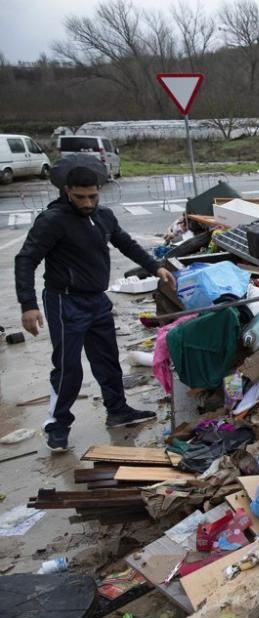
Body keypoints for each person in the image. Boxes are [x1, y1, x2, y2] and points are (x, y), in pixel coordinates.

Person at [14, 166, 176, 452]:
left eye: (92, 196)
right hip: (65, 302)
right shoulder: (53, 221)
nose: (87, 203)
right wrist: (28, 305)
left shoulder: (103, 217)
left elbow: (126, 244)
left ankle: (118, 411)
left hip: (97, 301)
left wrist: (156, 267)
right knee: (68, 367)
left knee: (107, 359)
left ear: (99, 191)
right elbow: (26, 259)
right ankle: (57, 424)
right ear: (67, 192)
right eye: (80, 197)